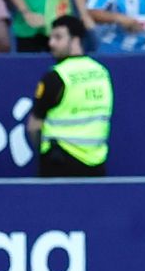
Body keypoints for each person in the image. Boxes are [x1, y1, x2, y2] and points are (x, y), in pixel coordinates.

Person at [26, 14, 111, 178]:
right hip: (97, 162)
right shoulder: (102, 73)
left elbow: (33, 126)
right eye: (51, 37)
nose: (51, 43)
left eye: (58, 38)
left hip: (59, 163)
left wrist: (42, 151)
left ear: (75, 40)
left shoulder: (56, 76)